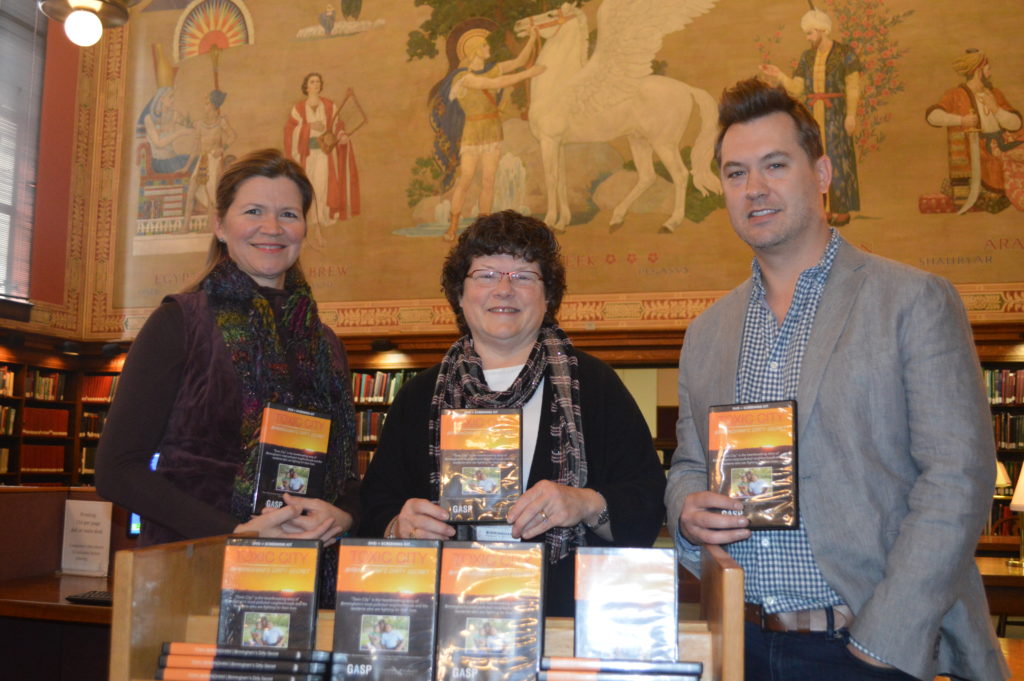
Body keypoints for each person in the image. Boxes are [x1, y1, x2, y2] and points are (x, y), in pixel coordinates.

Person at [664, 79, 1007, 681]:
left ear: (822, 172)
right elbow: (688, 467)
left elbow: (958, 479)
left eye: (775, 165)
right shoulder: (707, 331)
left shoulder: (912, 300)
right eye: (736, 173)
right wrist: (687, 512)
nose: (755, 189)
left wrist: (883, 637)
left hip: (865, 645)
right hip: (737, 644)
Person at [359, 210, 665, 617]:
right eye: (485, 274)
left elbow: (647, 502)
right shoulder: (419, 395)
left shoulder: (596, 386)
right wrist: (400, 525)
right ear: (459, 293)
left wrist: (586, 502)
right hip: (445, 618)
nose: (503, 289)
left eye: (523, 276)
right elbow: (373, 508)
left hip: (564, 620)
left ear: (548, 296)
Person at [96, 149, 360, 604]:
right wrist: (237, 533)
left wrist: (342, 516)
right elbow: (116, 471)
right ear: (220, 225)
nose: (272, 228)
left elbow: (346, 476)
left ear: (303, 229)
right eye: (253, 211)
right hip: (196, 570)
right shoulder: (180, 322)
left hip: (303, 577)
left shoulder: (326, 344)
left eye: (288, 214)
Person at [429, 26, 545, 241]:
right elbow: (494, 83)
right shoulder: (462, 78)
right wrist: (529, 74)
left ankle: (483, 228)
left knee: (489, 180)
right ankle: (453, 227)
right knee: (466, 179)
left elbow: (519, 61)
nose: (487, 47)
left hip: (493, 130)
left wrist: (532, 38)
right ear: (473, 50)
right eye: (483, 44)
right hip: (473, 132)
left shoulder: (492, 68)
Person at [759, 9, 860, 227]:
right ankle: (821, 208)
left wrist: (851, 115)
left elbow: (853, 86)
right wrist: (779, 75)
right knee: (815, 160)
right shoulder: (807, 57)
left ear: (823, 30)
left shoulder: (845, 53)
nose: (808, 38)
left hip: (837, 113)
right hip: (814, 115)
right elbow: (797, 89)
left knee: (838, 159)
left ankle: (841, 209)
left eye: (810, 33)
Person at [925, 49, 1024, 213]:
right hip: (982, 149)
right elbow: (932, 116)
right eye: (988, 69)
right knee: (1011, 161)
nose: (990, 73)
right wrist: (961, 120)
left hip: (1004, 141)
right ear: (979, 71)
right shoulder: (956, 94)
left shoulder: (994, 93)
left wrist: (996, 109)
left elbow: (1016, 124)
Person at [284, 72, 360, 242]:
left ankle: (318, 229)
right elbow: (289, 131)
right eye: (312, 82)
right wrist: (309, 126)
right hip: (306, 155)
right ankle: (304, 230)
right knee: (306, 190)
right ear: (306, 86)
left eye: (318, 81)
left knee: (320, 188)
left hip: (325, 154)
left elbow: (338, 125)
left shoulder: (329, 106)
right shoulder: (298, 108)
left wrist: (342, 135)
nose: (316, 84)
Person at [183, 89, 237, 231]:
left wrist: (222, 148)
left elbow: (232, 136)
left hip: (213, 161)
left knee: (211, 194)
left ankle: (210, 227)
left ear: (213, 105)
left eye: (206, 103)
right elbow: (195, 147)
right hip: (202, 161)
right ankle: (185, 226)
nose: (204, 106)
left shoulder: (221, 122)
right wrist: (186, 166)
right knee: (191, 192)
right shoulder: (200, 124)